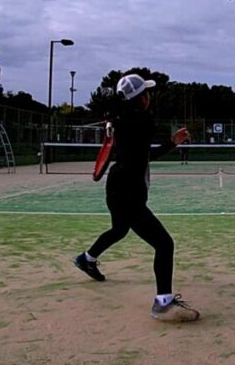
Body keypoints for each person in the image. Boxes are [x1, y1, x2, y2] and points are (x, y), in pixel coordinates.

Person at [73, 73, 200, 322]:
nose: (149, 96)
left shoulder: (121, 121)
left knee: (119, 230)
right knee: (164, 244)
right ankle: (163, 302)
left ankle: (86, 259)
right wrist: (172, 143)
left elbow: (137, 153)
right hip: (128, 194)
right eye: (146, 93)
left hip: (115, 188)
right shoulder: (142, 121)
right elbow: (144, 156)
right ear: (141, 99)